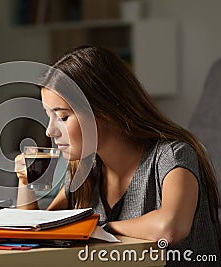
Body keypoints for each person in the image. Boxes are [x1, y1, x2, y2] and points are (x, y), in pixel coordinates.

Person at [14, 46, 220, 266]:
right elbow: (42, 230)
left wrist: (97, 227)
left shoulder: (172, 155)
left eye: (62, 117)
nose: (49, 131)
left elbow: (170, 228)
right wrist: (25, 183)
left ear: (102, 111)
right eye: (49, 117)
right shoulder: (84, 169)